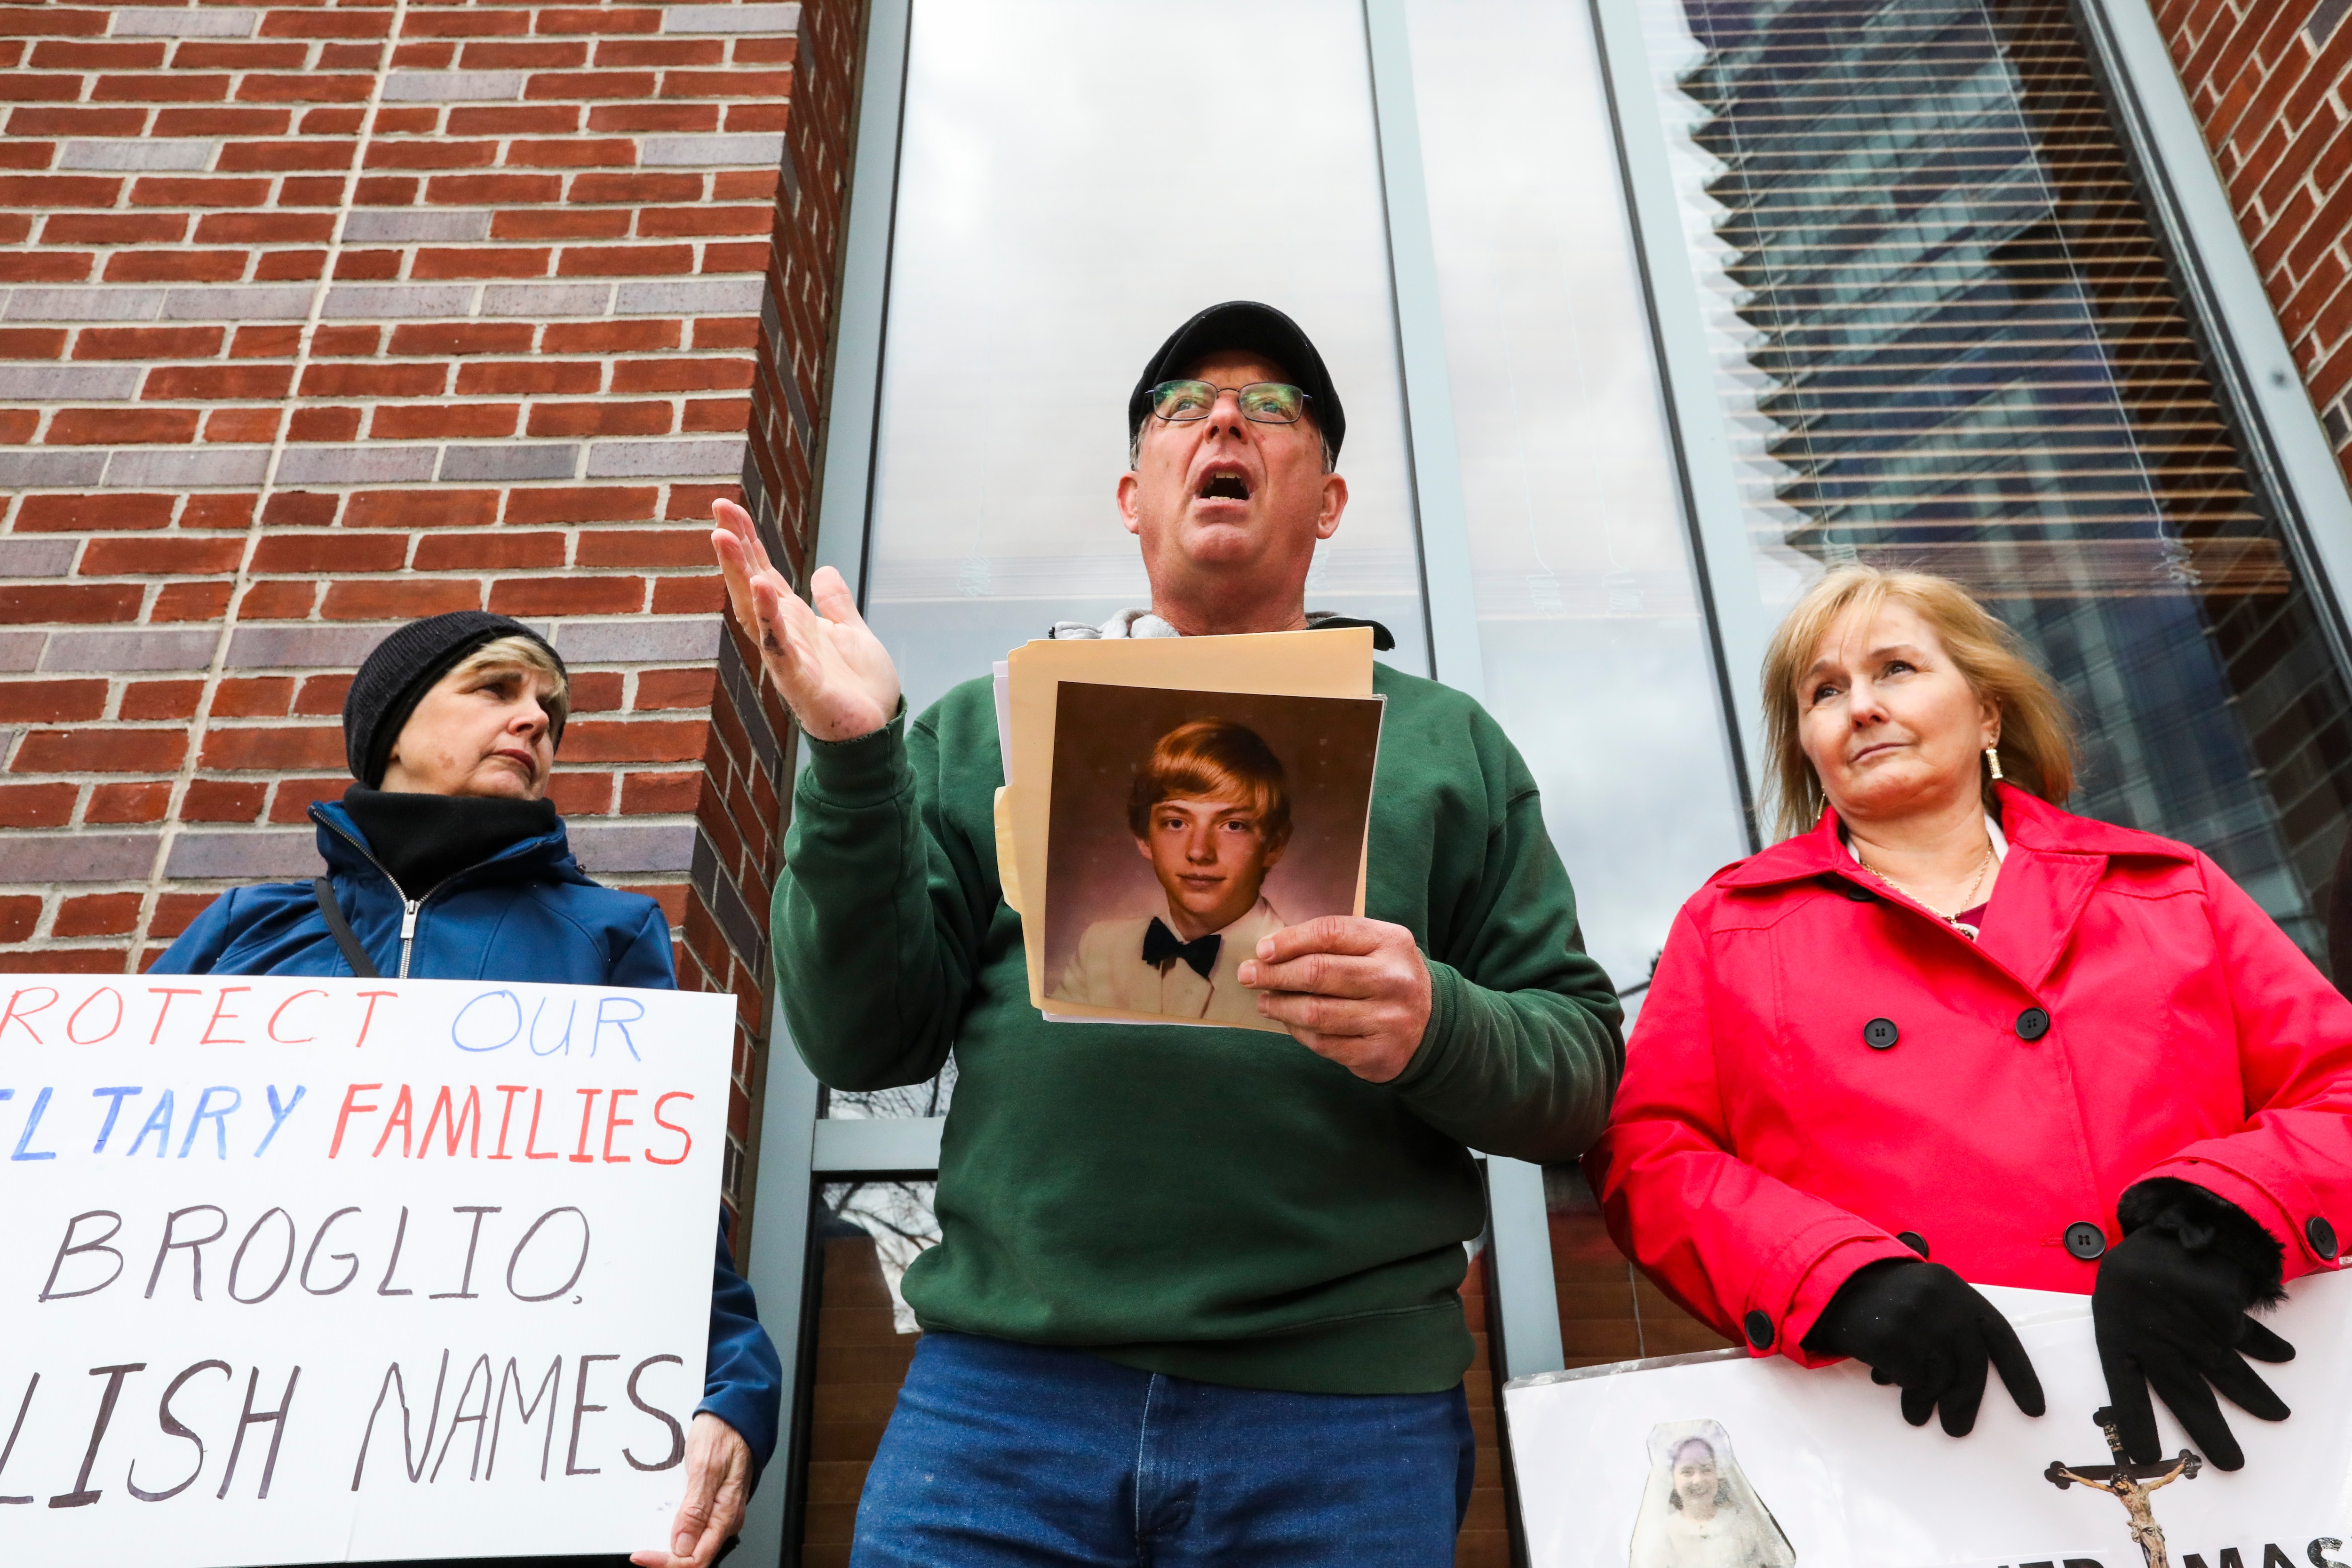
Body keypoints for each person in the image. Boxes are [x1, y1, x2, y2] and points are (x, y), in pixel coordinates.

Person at [714, 299, 1624, 1563]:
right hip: (998, 1412)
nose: (1227, 421)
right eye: (1182, 407)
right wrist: (857, 761)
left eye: (1275, 406)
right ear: (1134, 494)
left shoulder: (1445, 744)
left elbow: (1581, 1070)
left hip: (1341, 1427)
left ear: (1330, 500)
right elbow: (862, 1036)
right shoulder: (989, 723)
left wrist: (1440, 1024)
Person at [1585, 565, 2352, 1474]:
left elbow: (2336, 1086)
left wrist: (2222, 1229)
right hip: (1917, 1437)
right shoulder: (1730, 926)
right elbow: (1654, 1154)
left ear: (1988, 712)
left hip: (2231, 1396)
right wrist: (1836, 1277)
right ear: (1809, 744)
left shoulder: (2167, 888)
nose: (1861, 706)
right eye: (1825, 691)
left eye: (1897, 668)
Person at [151, 610, 784, 1568]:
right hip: (232, 1462)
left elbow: (663, 1211)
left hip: (495, 1478)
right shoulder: (243, 934)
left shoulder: (605, 937)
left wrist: (732, 1390)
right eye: (496, 688)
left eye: (549, 709)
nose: (535, 719)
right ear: (395, 729)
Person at [1053, 716, 1293, 1024]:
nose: (1199, 851)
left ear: (1274, 844)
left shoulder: (1301, 973)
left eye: (1233, 825)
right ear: (1144, 838)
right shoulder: (1100, 947)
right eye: (1176, 822)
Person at [1628, 1430, 1793, 1568]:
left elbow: (1779, 1560)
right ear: (1673, 1479)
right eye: (1687, 1472)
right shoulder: (1664, 1534)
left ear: (1717, 1474)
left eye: (1706, 1469)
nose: (1698, 1480)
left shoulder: (1743, 1526)